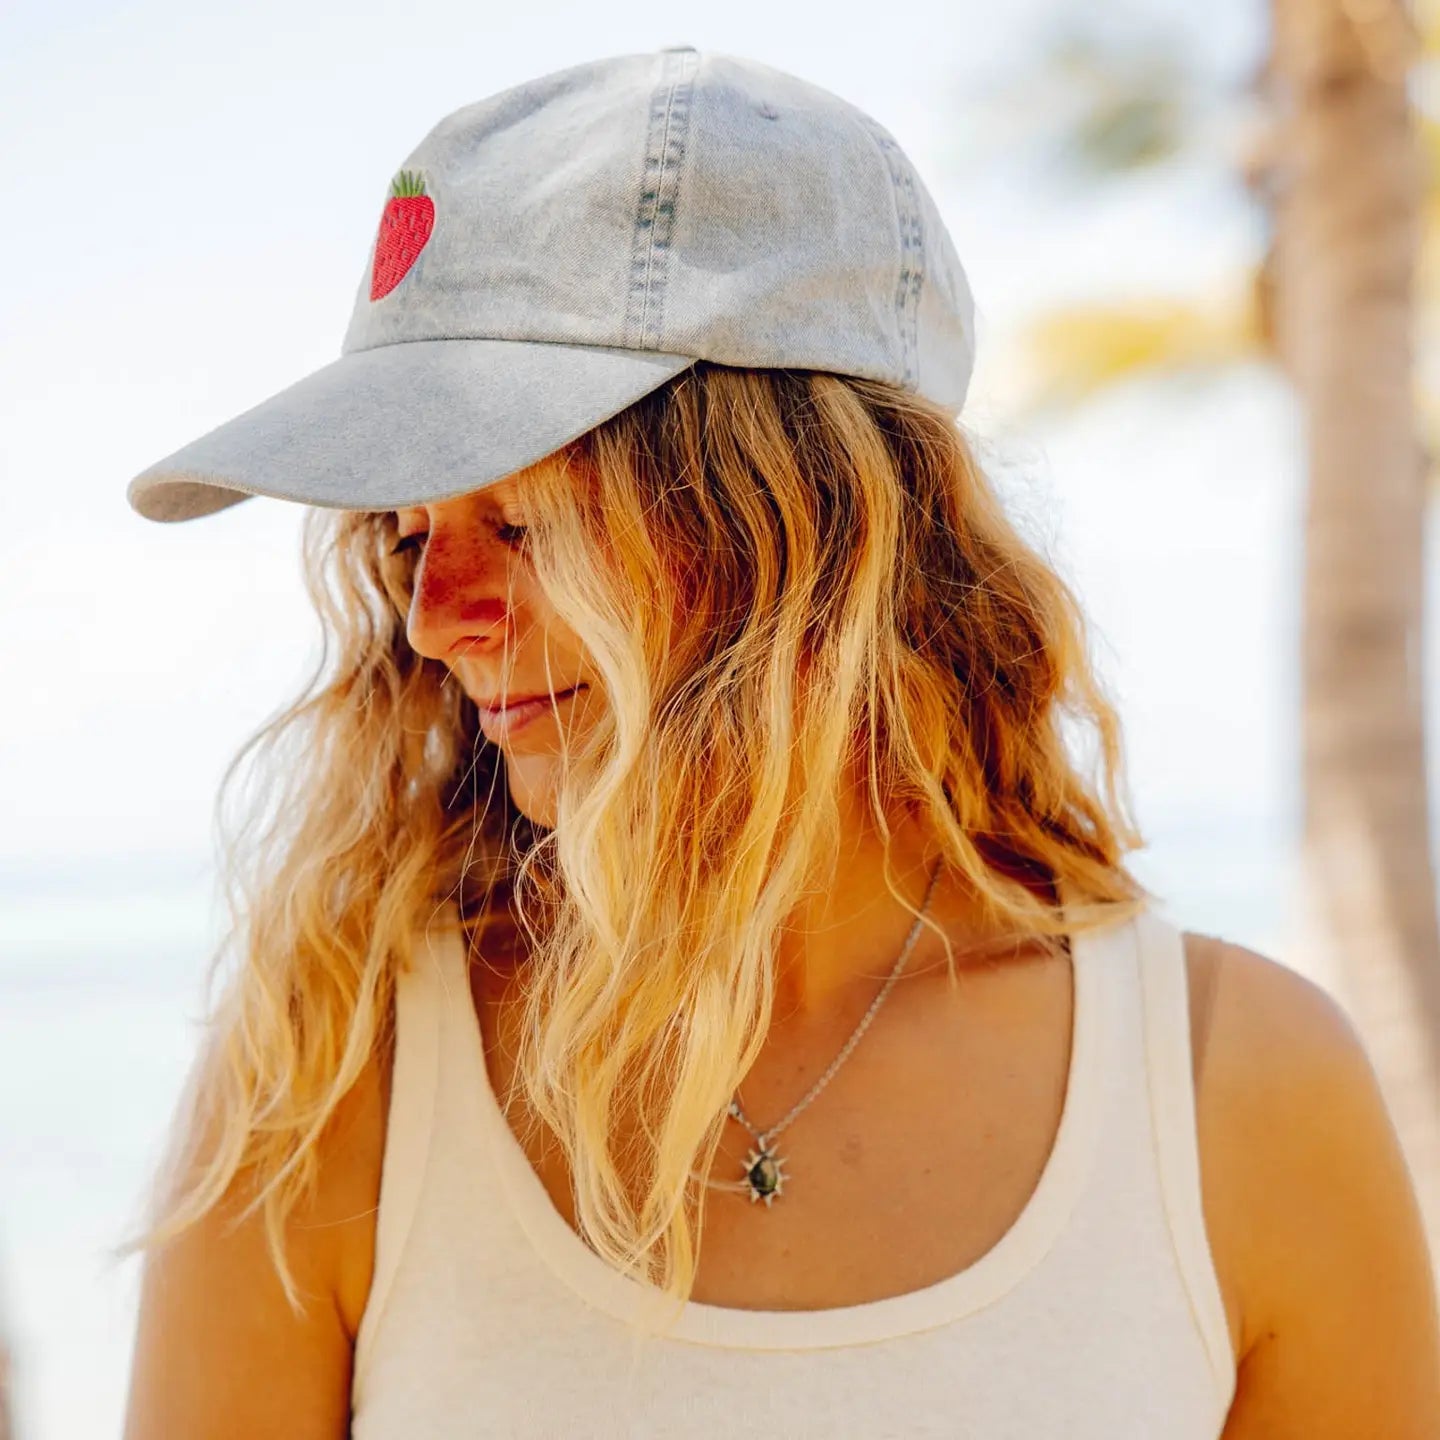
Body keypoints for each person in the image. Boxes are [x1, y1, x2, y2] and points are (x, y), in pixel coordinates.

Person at [115, 47, 1439, 1440]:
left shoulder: (1236, 1092)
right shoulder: (337, 1085)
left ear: (819, 533)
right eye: (408, 534)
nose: (439, 623)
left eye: (521, 524)